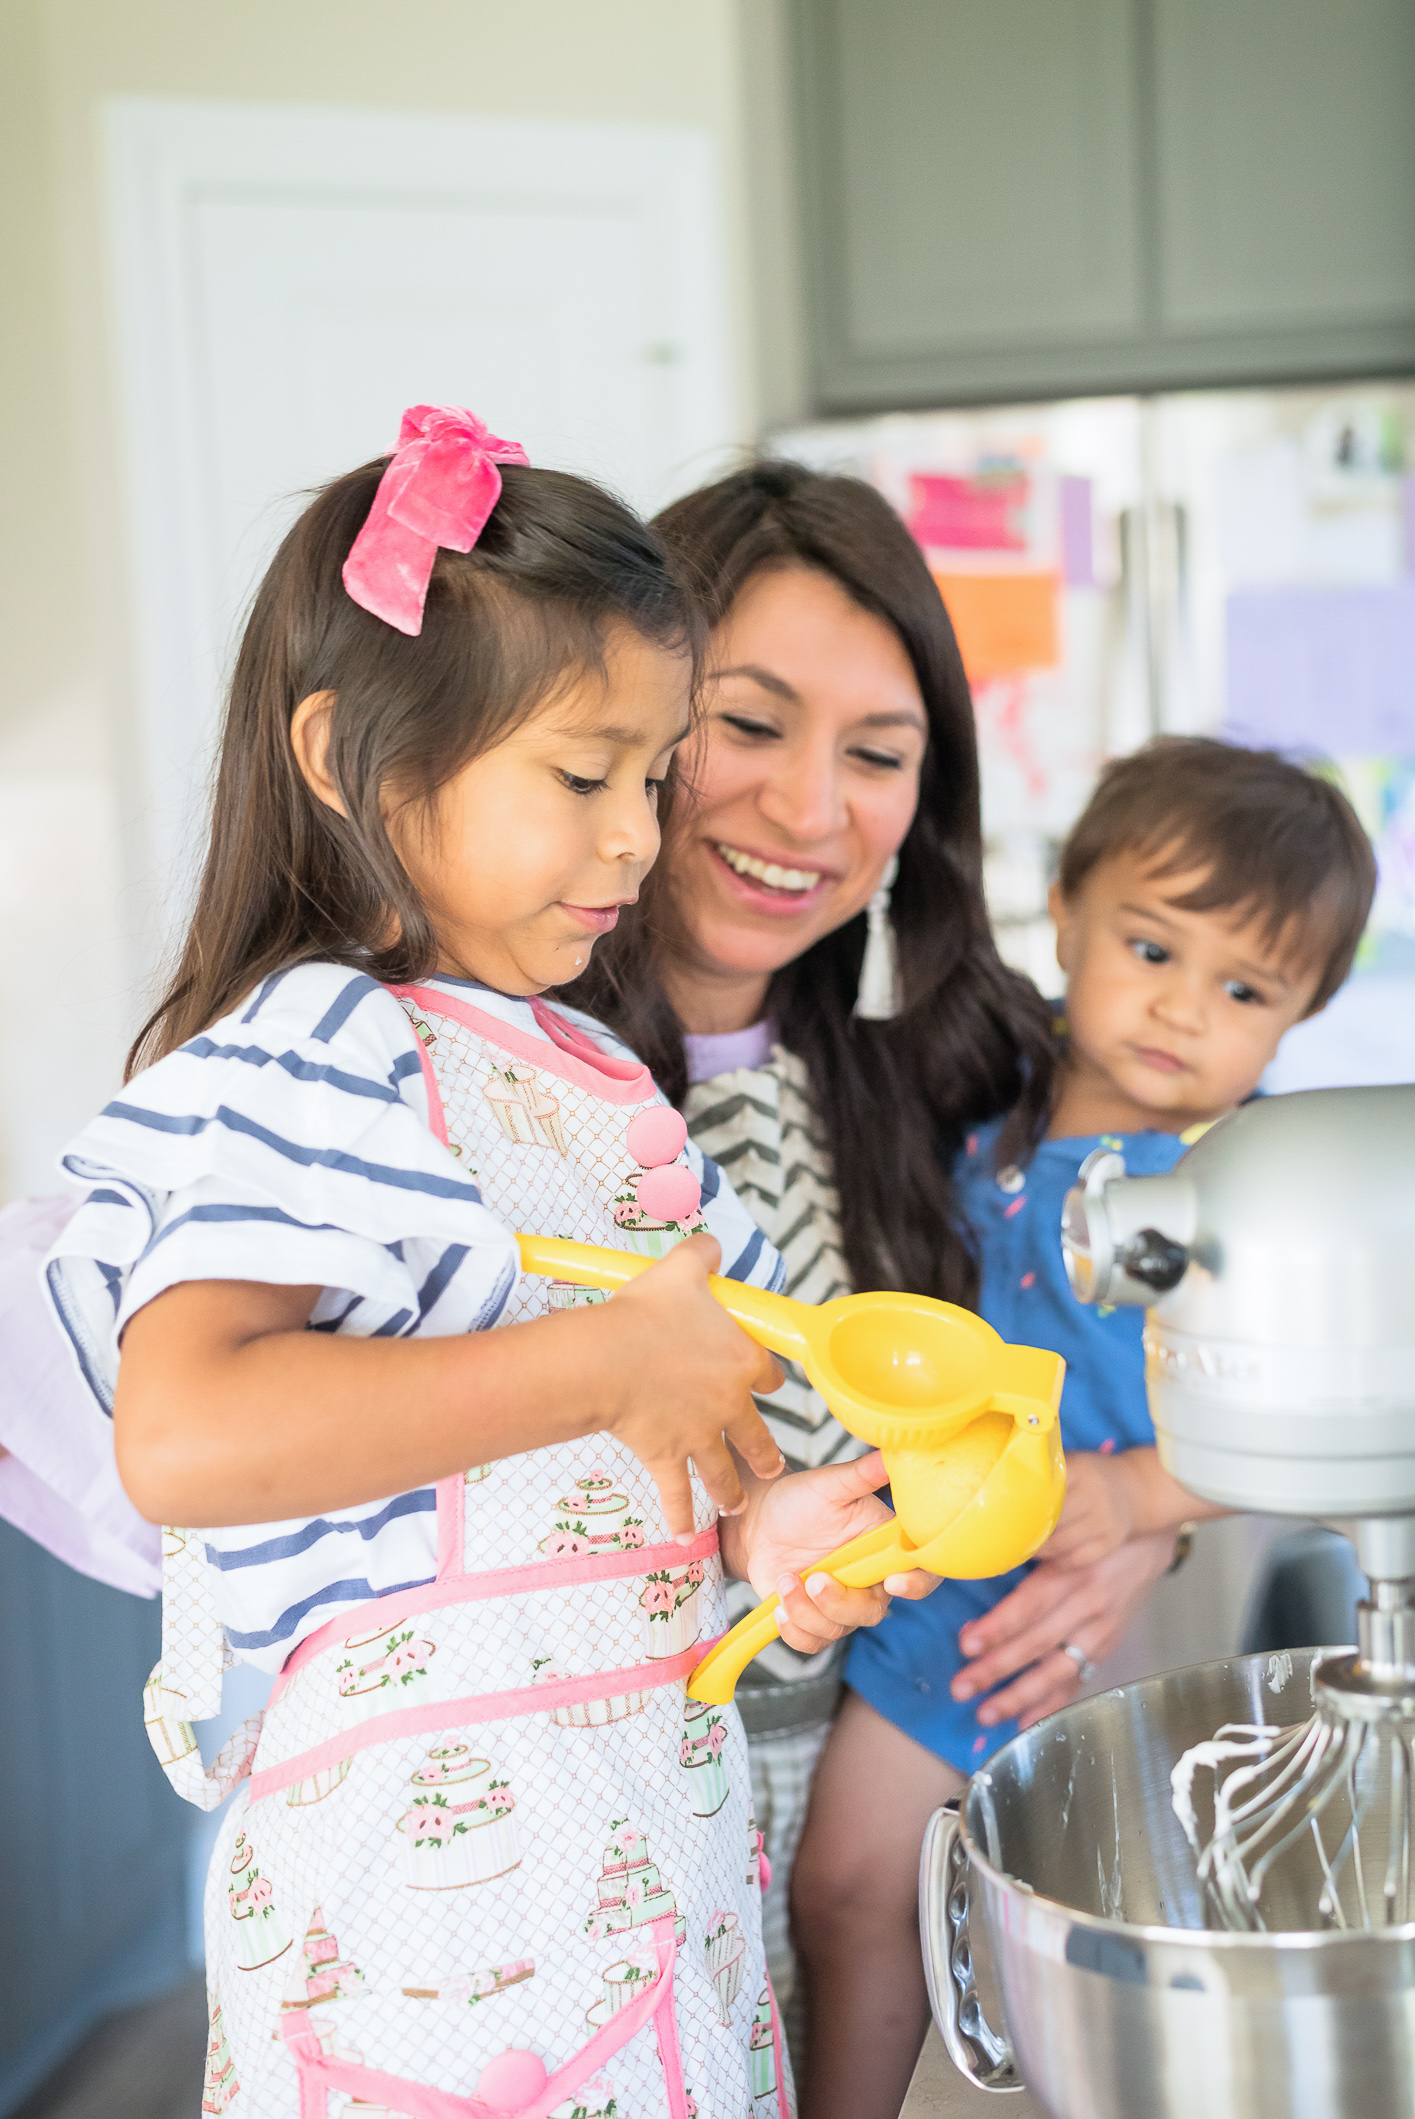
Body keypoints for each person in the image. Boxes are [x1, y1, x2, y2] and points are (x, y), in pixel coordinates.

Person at [41, 408, 918, 2119]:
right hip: (426, 1944)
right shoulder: (311, 1047)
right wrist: (606, 1365)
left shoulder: (598, 1093)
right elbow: (192, 1438)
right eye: (581, 777)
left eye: (652, 780)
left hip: (656, 1893)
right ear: (345, 756)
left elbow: (635, 1489)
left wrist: (763, 1543)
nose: (635, 840)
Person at [568, 464, 1184, 2067]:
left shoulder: (982, 1079)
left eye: (879, 755)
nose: (810, 810)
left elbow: (1123, 1355)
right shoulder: (495, 1071)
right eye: (751, 725)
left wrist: (1133, 1527)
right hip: (554, 1887)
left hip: (842, 1887)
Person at [792, 733, 1377, 2119]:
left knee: (860, 1881)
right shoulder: (994, 1091)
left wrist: (1141, 1497)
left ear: (1297, 1019)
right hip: (905, 1546)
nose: (1182, 1010)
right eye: (1152, 947)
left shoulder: (1249, 1183)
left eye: (1244, 988)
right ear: (1064, 913)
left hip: (1009, 1599)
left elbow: (1329, 1413)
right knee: (880, 1896)